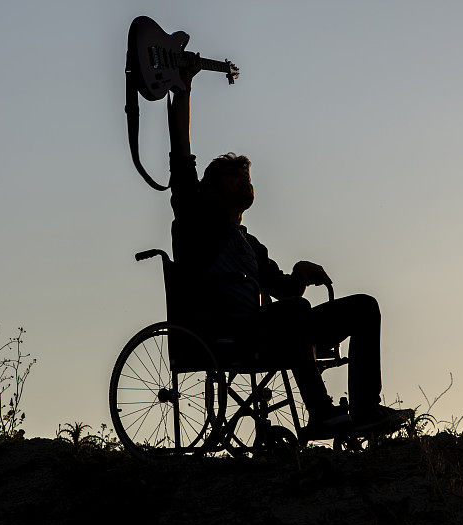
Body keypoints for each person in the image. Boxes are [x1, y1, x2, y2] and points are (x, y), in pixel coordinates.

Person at [167, 63, 411, 440]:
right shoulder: (196, 222)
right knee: (295, 312)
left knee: (364, 306)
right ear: (210, 191)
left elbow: (285, 290)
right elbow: (182, 161)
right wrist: (183, 90)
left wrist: (299, 273)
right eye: (235, 175)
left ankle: (364, 409)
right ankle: (320, 413)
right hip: (224, 334)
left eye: (246, 175)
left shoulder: (250, 245)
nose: (245, 179)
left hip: (271, 330)